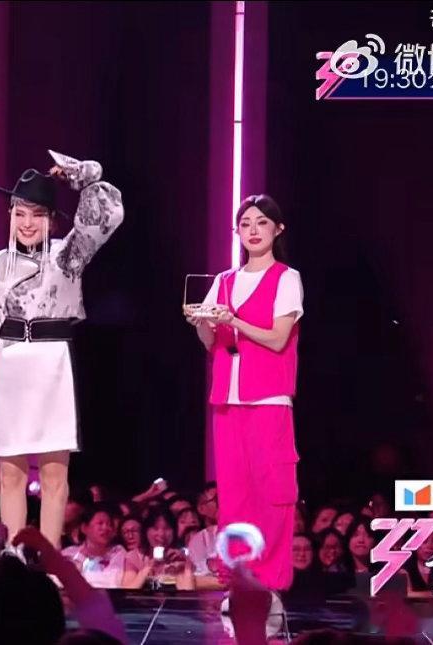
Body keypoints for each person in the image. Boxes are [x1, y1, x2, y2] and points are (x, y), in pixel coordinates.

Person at [0, 151, 124, 549]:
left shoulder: (67, 255)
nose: (27, 223)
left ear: (52, 220)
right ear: (10, 216)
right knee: (10, 472)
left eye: (37, 214)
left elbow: (109, 214)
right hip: (10, 361)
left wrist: (78, 174)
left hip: (53, 362)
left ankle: (50, 560)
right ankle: (14, 557)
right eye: (20, 213)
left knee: (53, 473)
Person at [185, 194, 303, 592]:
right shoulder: (223, 280)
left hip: (268, 397)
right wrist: (201, 323)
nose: (253, 230)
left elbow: (278, 337)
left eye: (261, 222)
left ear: (277, 229)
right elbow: (210, 342)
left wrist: (233, 320)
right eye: (246, 223)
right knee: (234, 494)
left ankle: (270, 581)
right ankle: (236, 579)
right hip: (227, 397)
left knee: (272, 492)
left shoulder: (286, 278)